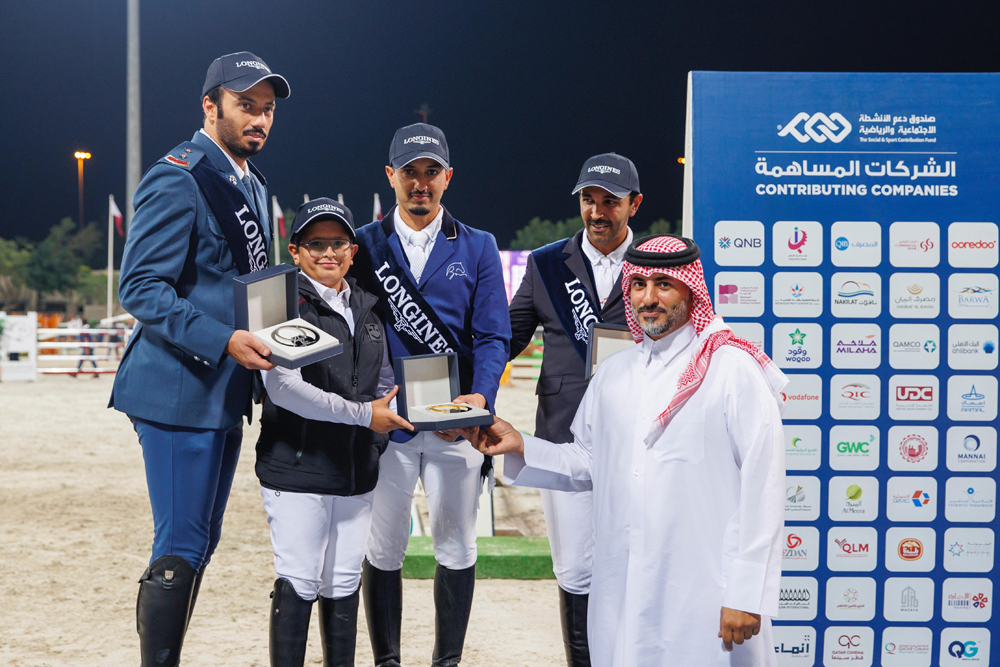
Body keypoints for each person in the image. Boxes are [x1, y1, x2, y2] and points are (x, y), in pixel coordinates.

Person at [471, 235, 787, 666]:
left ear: (690, 289)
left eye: (663, 283)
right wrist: (522, 444)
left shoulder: (732, 370)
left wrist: (747, 593)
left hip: (706, 594)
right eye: (638, 284)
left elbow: (763, 486)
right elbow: (588, 462)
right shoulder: (615, 373)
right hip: (624, 590)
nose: (648, 297)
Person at [109, 51, 289, 666]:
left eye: (267, 109)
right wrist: (223, 340)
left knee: (200, 542)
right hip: (178, 389)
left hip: (227, 392)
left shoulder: (255, 185)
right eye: (246, 105)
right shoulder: (177, 175)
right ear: (210, 106)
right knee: (182, 541)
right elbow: (140, 287)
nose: (259, 119)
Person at [351, 122, 511, 667]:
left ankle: (448, 661)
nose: (421, 184)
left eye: (431, 173)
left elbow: (493, 335)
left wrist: (479, 400)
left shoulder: (479, 245)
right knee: (383, 548)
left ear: (448, 177)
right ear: (391, 176)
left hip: (455, 424)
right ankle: (387, 661)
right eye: (410, 173)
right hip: (388, 424)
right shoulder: (363, 244)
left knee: (458, 546)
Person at [256, 199, 413, 667]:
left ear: (353, 249)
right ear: (296, 250)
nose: (329, 252)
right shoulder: (277, 300)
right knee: (301, 579)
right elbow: (284, 389)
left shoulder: (367, 304)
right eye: (316, 244)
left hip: (356, 471)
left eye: (338, 243)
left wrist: (376, 435)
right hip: (297, 470)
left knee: (344, 579)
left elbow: (385, 380)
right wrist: (365, 418)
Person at [507, 153, 642, 666]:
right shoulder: (543, 264)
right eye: (589, 200)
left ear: (635, 204)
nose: (598, 212)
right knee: (575, 571)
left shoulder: (656, 263)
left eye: (611, 201)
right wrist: (458, 381)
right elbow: (508, 335)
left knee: (637, 565)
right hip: (564, 437)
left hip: (640, 439)